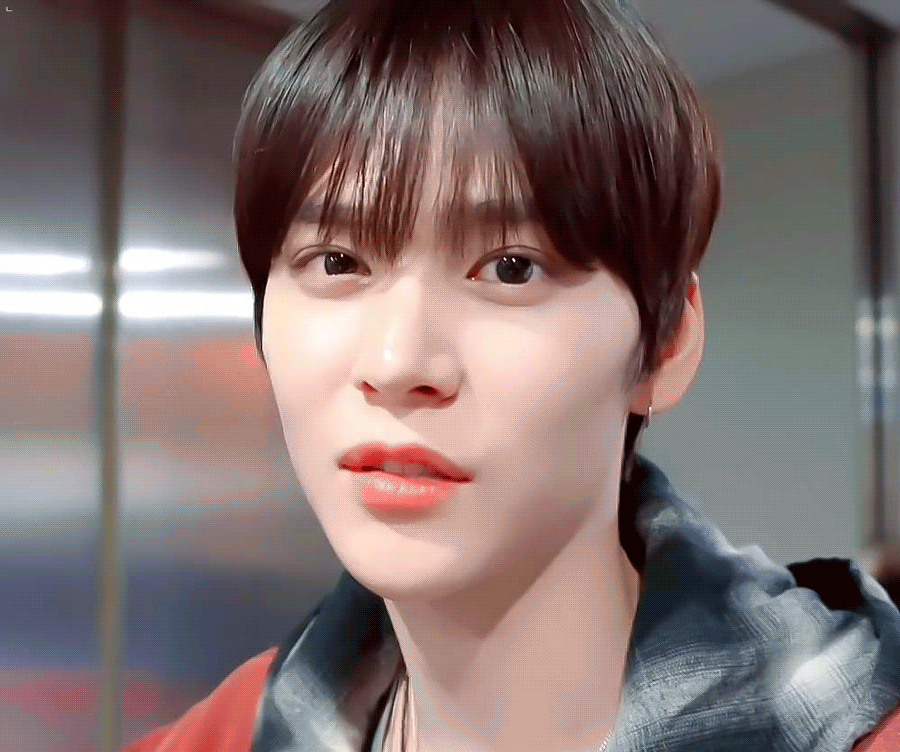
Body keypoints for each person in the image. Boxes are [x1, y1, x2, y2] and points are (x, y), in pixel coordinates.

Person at [124, 0, 900, 750]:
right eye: (337, 261)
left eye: (511, 268)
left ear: (666, 343)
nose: (397, 364)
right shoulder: (231, 733)